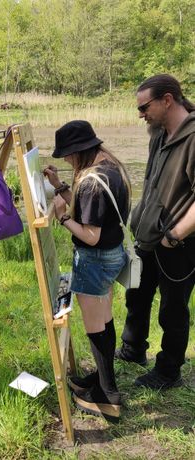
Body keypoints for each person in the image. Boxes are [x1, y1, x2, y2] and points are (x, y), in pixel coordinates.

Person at [44, 120, 131, 421]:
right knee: (104, 321)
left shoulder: (92, 182)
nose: (67, 161)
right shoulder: (109, 167)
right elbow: (92, 212)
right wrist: (60, 186)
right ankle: (102, 378)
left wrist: (61, 218)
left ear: (78, 150)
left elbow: (90, 234)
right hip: (111, 255)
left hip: (94, 259)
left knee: (95, 327)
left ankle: (108, 397)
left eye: (67, 155)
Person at [115, 74, 195, 389]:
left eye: (144, 107)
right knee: (136, 293)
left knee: (173, 309)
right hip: (147, 236)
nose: (141, 114)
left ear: (167, 100)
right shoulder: (158, 134)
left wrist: (175, 235)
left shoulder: (192, 138)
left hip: (178, 243)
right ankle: (133, 349)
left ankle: (168, 371)